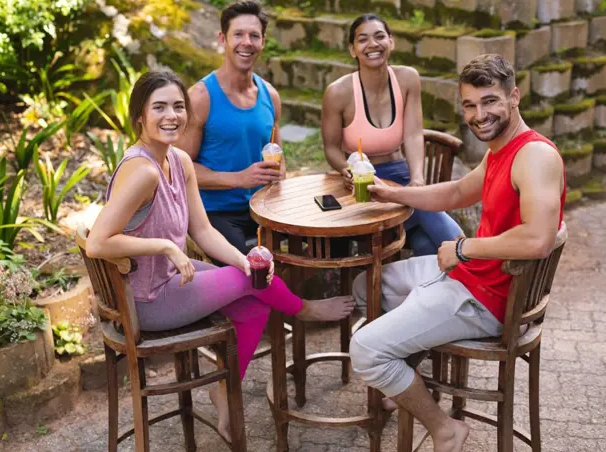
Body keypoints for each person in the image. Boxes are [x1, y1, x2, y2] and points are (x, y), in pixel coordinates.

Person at [85, 71, 354, 442]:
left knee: (254, 298)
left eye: (178, 106)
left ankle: (225, 395)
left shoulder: (177, 160)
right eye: (159, 107)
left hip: (170, 278)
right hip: (146, 299)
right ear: (139, 118)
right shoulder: (142, 171)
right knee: (254, 282)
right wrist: (163, 246)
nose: (172, 116)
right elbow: (98, 242)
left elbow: (204, 231)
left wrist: (242, 260)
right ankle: (301, 309)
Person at [349, 54, 566, 452]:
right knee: (366, 286)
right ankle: (404, 373)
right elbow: (453, 192)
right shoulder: (501, 148)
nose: (479, 114)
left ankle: (443, 427)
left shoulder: (535, 156)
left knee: (364, 349)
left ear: (514, 97)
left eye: (489, 101)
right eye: (469, 104)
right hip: (467, 277)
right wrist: (392, 192)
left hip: (487, 298)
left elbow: (537, 238)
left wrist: (464, 248)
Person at [321, 14, 463, 256]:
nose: (372, 44)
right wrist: (347, 169)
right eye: (362, 39)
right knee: (427, 219)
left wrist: (417, 180)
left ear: (391, 42)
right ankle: (475, 265)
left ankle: (459, 272)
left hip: (400, 176)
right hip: (362, 186)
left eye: (379, 36)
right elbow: (331, 147)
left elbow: (413, 134)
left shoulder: (407, 79)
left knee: (426, 242)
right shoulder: (338, 92)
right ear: (352, 50)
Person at [176, 1, 284, 260]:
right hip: (214, 213)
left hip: (263, 208)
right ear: (222, 39)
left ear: (263, 42)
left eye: (254, 35)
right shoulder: (201, 97)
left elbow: (278, 154)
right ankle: (303, 303)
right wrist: (239, 178)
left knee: (313, 242)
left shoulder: (270, 95)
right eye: (238, 34)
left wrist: (280, 179)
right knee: (253, 266)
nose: (246, 42)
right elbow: (180, 167)